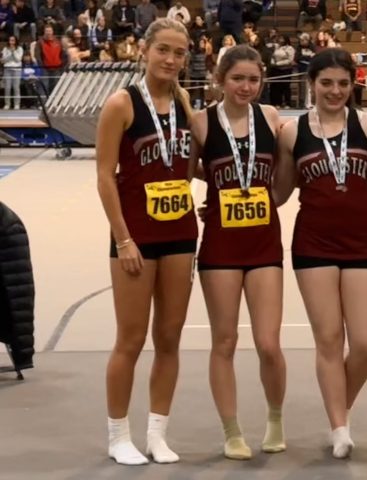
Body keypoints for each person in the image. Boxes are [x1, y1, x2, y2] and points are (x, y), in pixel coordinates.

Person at [95, 17, 197, 466]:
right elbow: (103, 176)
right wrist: (123, 239)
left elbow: (187, 164)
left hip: (180, 234)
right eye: (164, 50)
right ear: (144, 50)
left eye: (179, 53)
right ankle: (119, 434)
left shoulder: (185, 102)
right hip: (136, 237)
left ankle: (158, 432)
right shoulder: (121, 104)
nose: (171, 60)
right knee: (131, 340)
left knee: (170, 337)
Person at [274, 48, 367, 459]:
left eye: (342, 83)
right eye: (326, 83)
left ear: (353, 84)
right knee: (330, 339)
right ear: (311, 84)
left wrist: (363, 213)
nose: (335, 91)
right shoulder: (291, 133)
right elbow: (281, 193)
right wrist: (223, 193)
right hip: (313, 244)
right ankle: (340, 426)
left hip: (360, 244)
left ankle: (339, 404)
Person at [187, 44, 286, 461]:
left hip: (264, 242)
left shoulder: (271, 118)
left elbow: (282, 174)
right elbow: (189, 166)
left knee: (268, 342)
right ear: (220, 79)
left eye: (253, 79)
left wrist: (264, 198)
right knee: (224, 340)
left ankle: (276, 418)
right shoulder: (201, 122)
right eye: (237, 78)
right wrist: (221, 192)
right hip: (221, 245)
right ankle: (232, 431)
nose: (246, 87)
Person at [1, 35, 23, 110]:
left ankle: (17, 104)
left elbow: (18, 59)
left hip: (17, 70)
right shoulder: (5, 49)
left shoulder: (20, 49)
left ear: (16, 41)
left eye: (13, 40)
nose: (11, 42)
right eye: (10, 40)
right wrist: (10, 53)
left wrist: (13, 52)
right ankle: (7, 104)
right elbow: (4, 60)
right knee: (7, 87)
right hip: (7, 69)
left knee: (16, 87)